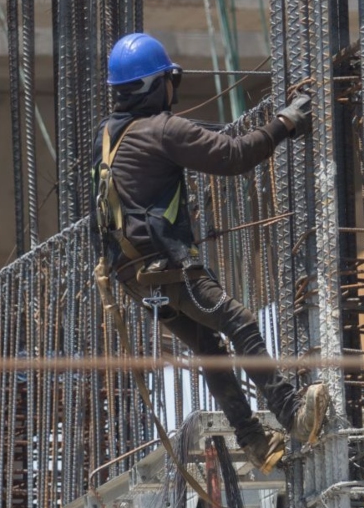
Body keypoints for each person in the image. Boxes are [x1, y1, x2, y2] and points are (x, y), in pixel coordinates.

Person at [93, 32, 329, 474]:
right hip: (166, 268)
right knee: (238, 321)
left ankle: (256, 442)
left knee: (208, 345)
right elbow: (234, 155)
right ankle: (292, 412)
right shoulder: (163, 130)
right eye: (169, 80)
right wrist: (286, 122)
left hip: (133, 277)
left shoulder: (109, 136)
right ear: (157, 85)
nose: (173, 90)